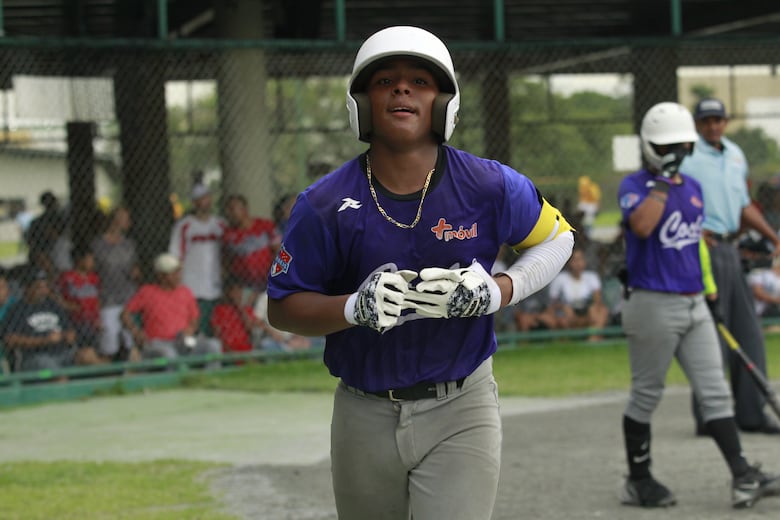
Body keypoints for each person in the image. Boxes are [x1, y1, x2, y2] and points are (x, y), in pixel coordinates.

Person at [266, 26, 574, 520]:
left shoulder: (489, 184)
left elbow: (559, 239)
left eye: (420, 82)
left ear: (444, 102)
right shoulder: (324, 203)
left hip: (462, 404)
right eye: (385, 81)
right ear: (361, 103)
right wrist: (354, 307)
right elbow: (283, 307)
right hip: (363, 409)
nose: (402, 90)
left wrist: (498, 291)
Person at [617, 101, 780, 509]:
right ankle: (639, 479)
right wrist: (663, 180)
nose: (675, 153)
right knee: (646, 394)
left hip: (694, 303)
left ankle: (742, 475)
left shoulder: (692, 188)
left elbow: (696, 248)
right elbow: (643, 226)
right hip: (651, 303)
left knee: (716, 393)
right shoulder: (634, 185)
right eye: (667, 146)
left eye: (681, 146)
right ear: (650, 146)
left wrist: (710, 294)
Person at [680, 97, 780, 435]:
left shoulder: (735, 154)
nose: (713, 126)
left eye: (718, 119)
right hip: (701, 248)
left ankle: (751, 413)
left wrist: (773, 236)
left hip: (730, 248)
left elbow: (743, 205)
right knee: (711, 333)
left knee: (747, 331)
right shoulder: (687, 154)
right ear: (697, 124)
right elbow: (674, 196)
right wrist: (692, 228)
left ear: (725, 121)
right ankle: (711, 416)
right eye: (706, 121)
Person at [121, 253, 221, 367]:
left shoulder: (185, 292)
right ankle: (180, 377)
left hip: (184, 341)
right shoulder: (147, 292)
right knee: (169, 354)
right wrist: (136, 331)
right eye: (173, 273)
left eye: (178, 272)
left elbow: (195, 318)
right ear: (161, 276)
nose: (178, 276)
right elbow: (124, 314)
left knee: (213, 345)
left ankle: (211, 376)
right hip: (158, 343)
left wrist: (190, 329)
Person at [1, 267, 104, 373]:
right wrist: (44, 340)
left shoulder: (53, 305)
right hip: (35, 358)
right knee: (53, 372)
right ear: (27, 288)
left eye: (46, 287)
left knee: (88, 354)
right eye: (39, 287)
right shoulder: (17, 309)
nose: (44, 291)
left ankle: (109, 380)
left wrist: (68, 335)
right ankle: (59, 380)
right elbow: (10, 340)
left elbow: (69, 329)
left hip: (63, 353)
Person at [169, 183, 226, 335]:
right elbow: (175, 255)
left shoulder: (220, 224)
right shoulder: (184, 226)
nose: (206, 201)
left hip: (215, 283)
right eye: (201, 198)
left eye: (207, 197)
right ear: (194, 202)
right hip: (192, 285)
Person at [91, 206, 141, 359]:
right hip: (108, 298)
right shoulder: (98, 244)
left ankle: (130, 367)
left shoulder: (129, 244)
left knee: (130, 340)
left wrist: (135, 273)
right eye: (124, 218)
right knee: (110, 340)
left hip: (128, 296)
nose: (128, 222)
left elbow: (134, 267)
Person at [221, 194, 280, 306]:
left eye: (232, 209)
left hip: (269, 281)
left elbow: (280, 251)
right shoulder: (228, 235)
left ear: (244, 209)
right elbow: (226, 262)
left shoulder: (265, 226)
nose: (229, 213)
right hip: (245, 285)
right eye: (227, 210)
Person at [546, 247, 610, 339]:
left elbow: (597, 299)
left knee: (602, 311)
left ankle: (593, 339)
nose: (578, 263)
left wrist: (591, 307)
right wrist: (563, 307)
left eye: (580, 259)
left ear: (584, 262)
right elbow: (553, 302)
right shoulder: (560, 278)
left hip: (586, 312)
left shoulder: (591, 277)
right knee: (558, 317)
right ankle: (567, 342)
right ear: (568, 262)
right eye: (574, 260)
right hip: (567, 313)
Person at [57, 247, 102, 351]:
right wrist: (68, 306)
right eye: (90, 260)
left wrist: (97, 318)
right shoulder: (67, 277)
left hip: (92, 321)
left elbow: (98, 300)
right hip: (74, 320)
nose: (93, 263)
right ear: (79, 260)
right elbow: (57, 296)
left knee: (92, 348)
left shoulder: (94, 278)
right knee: (77, 348)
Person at [210, 276, 262, 355]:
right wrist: (230, 351)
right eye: (235, 291)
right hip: (227, 349)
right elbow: (217, 335)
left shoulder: (246, 309)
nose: (239, 294)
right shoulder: (219, 310)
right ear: (229, 293)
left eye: (240, 291)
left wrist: (240, 307)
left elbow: (250, 327)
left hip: (245, 348)